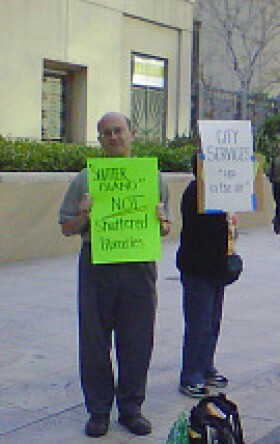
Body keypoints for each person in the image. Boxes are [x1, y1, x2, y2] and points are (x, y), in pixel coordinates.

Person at [58, 112, 171, 438]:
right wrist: (83, 215)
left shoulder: (152, 178)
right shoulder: (85, 179)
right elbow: (67, 228)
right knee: (94, 340)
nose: (113, 137)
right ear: (100, 140)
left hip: (138, 264)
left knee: (137, 339)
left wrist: (162, 220)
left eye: (118, 131)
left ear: (132, 134)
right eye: (106, 133)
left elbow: (164, 229)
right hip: (98, 263)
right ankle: (98, 411)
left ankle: (131, 407)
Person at [176, 152, 232, 398]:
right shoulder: (195, 193)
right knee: (198, 324)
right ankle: (191, 374)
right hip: (197, 268)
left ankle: (206, 365)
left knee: (212, 322)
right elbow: (203, 227)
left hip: (217, 267)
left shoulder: (223, 193)